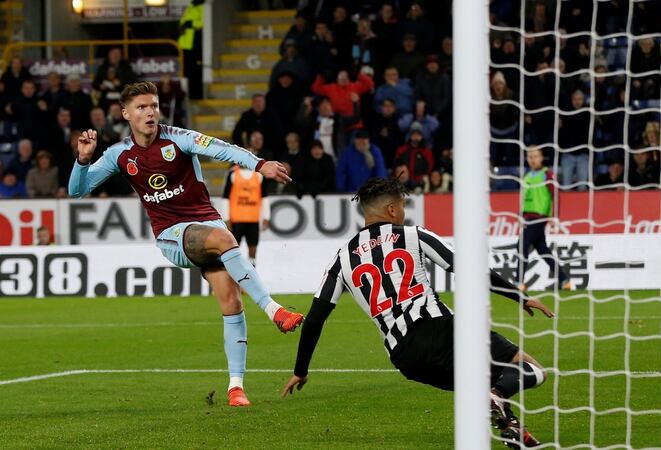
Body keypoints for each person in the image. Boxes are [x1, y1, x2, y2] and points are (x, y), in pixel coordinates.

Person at [68, 81, 304, 407]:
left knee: (231, 301)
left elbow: (223, 149)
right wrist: (82, 160)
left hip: (206, 225)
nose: (150, 112)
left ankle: (236, 387)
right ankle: (274, 309)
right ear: (126, 114)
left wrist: (259, 164)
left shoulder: (179, 138)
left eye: (153, 105)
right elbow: (77, 191)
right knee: (225, 239)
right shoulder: (119, 154)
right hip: (171, 235)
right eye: (141, 107)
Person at [281, 177, 554, 448]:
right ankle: (500, 400)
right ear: (391, 209)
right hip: (439, 329)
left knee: (482, 383)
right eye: (402, 206)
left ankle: (512, 429)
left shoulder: (342, 258)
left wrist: (301, 370)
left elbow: (315, 318)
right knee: (529, 368)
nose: (403, 212)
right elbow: (467, 267)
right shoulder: (412, 235)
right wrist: (519, 297)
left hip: (405, 356)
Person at [518, 146, 570, 291]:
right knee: (542, 249)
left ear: (541, 158)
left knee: (522, 246)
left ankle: (518, 282)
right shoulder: (527, 177)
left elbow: (556, 195)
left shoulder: (547, 174)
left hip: (539, 216)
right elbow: (524, 198)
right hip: (528, 216)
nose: (532, 160)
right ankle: (564, 279)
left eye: (535, 156)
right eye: (530, 157)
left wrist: (555, 216)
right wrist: (520, 214)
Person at [221, 145, 270, 267]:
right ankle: (233, 271)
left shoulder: (259, 175)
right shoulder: (232, 174)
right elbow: (225, 198)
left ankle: (252, 269)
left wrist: (266, 217)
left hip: (252, 219)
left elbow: (264, 197)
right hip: (236, 220)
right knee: (232, 247)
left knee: (253, 247)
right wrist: (226, 218)